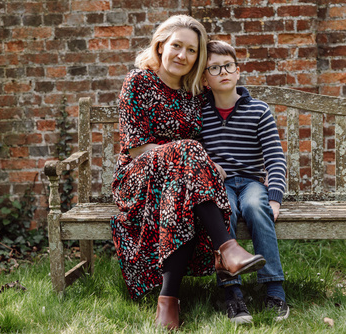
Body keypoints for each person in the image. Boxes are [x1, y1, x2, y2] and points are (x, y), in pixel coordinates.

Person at [110, 16, 266, 331]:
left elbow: (232, 102)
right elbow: (135, 146)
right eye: (176, 46)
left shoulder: (193, 92)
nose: (183, 55)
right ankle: (227, 249)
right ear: (160, 46)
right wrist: (191, 156)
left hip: (180, 182)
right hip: (139, 176)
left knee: (180, 190)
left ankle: (169, 301)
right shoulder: (138, 81)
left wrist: (201, 163)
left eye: (192, 50)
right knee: (187, 153)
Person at [201, 40, 289, 323]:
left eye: (228, 66)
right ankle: (232, 294)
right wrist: (210, 165)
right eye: (214, 68)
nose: (223, 72)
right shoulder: (199, 115)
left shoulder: (258, 111)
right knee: (224, 210)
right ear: (205, 79)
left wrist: (274, 197)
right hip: (219, 184)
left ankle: (275, 290)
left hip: (252, 181)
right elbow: (191, 152)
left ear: (238, 72)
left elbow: (275, 159)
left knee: (254, 207)